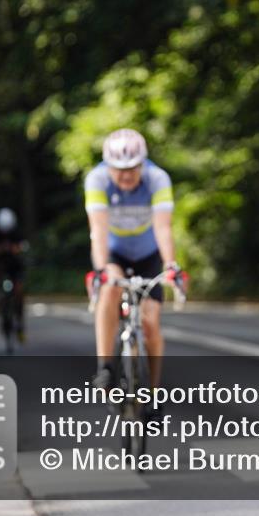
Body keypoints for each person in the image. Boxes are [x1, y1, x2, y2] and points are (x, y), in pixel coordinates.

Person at [84, 129, 183, 396]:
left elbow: (163, 228)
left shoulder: (157, 178)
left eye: (133, 168)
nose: (126, 175)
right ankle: (105, 367)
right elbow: (99, 231)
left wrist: (170, 265)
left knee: (150, 324)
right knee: (110, 288)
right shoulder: (96, 179)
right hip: (115, 253)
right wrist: (101, 270)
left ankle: (153, 392)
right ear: (108, 165)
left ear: (143, 163)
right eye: (119, 169)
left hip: (148, 255)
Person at [0, 208, 28, 341]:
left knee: (19, 293)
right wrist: (1, 249)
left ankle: (20, 323)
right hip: (1, 268)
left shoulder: (16, 233)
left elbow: (22, 247)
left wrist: (13, 249)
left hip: (15, 268)